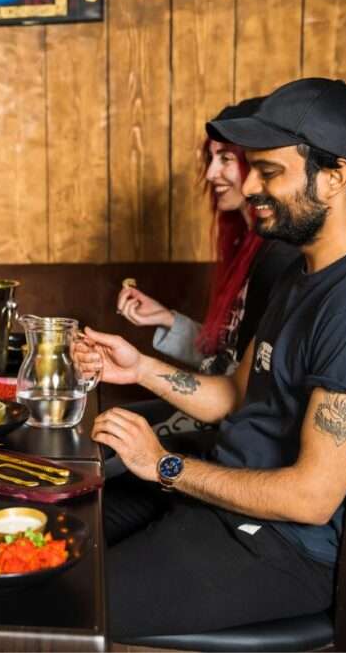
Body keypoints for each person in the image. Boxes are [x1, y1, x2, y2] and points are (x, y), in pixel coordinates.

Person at [74, 78, 346, 639]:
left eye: (269, 172)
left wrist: (163, 465)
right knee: (55, 532)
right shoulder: (304, 269)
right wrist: (140, 366)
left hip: (283, 549)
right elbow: (235, 396)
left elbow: (311, 498)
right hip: (221, 494)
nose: (247, 186)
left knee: (64, 605)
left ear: (335, 177)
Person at [115, 97, 299, 440]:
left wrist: (141, 368)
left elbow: (244, 384)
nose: (211, 173)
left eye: (226, 158)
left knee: (111, 445)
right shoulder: (246, 244)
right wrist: (167, 319)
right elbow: (229, 356)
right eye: (210, 159)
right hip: (226, 408)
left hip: (240, 427)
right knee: (113, 426)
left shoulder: (279, 255)